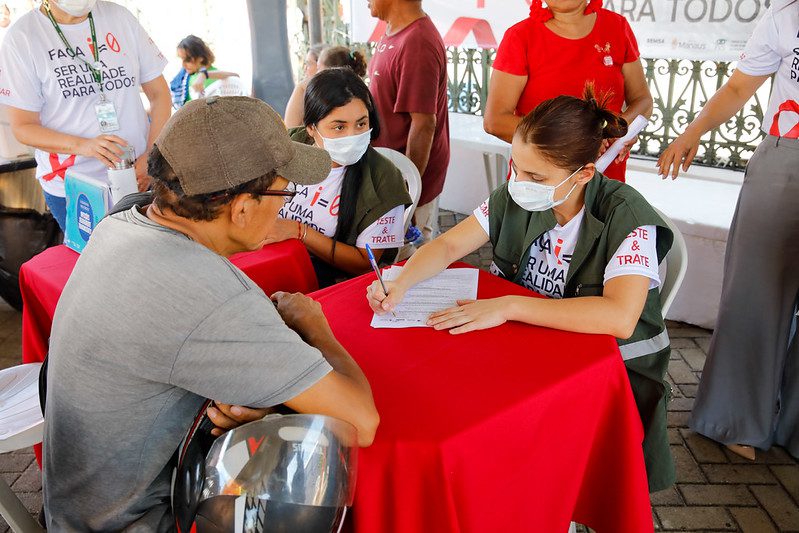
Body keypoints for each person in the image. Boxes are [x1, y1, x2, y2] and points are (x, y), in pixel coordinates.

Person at [42, 96, 380, 530]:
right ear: (242, 208)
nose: (284, 205)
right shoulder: (208, 295)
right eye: (284, 192)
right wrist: (315, 327)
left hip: (74, 508)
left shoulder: (121, 222)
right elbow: (361, 421)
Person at [367, 87, 676, 492]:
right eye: (516, 167)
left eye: (536, 177)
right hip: (533, 347)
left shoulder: (626, 216)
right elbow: (448, 245)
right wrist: (401, 281)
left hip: (608, 372)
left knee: (497, 427)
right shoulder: (516, 196)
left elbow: (619, 318)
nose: (519, 183)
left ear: (584, 173)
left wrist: (508, 306)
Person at [658, 0, 799, 462]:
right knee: (756, 291)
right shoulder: (785, 17)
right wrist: (693, 130)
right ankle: (735, 418)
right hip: (787, 159)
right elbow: (740, 86)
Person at [0, 0, 171, 231]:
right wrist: (86, 146)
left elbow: (160, 95)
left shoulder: (119, 17)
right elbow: (23, 127)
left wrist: (150, 158)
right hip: (74, 186)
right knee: (96, 253)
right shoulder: (23, 37)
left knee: (147, 249)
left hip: (139, 176)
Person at [271, 67, 411, 287]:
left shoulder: (384, 180)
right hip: (270, 259)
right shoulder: (290, 148)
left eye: (361, 124)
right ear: (311, 128)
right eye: (339, 127)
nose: (352, 136)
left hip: (327, 283)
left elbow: (365, 263)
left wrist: (299, 231)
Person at [483, 0, 652, 182]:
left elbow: (643, 100)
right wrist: (580, 141)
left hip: (605, 179)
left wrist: (620, 129)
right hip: (539, 182)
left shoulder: (616, 27)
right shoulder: (520, 36)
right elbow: (496, 121)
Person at [367, 0, 449, 243]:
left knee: (409, 255)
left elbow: (423, 125)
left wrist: (407, 194)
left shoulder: (418, 42)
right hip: (388, 176)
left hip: (405, 183)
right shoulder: (395, 30)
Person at [284, 45, 368, 128]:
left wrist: (300, 88)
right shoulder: (361, 95)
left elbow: (289, 131)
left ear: (329, 72)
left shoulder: (317, 96)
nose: (305, 68)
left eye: (318, 68)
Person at [171, 34, 241, 108]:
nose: (183, 65)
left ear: (200, 57)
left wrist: (205, 74)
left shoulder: (216, 75)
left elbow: (236, 77)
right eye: (181, 59)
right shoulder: (187, 77)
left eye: (187, 60)